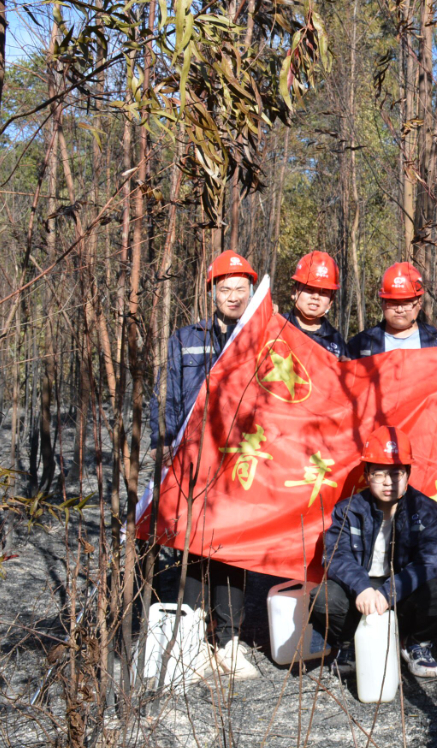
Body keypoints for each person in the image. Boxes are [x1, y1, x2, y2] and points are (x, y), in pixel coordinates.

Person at [151, 250, 261, 679]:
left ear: (252, 292)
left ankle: (228, 640)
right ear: (212, 293)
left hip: (241, 461)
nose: (233, 296)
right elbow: (166, 395)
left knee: (232, 550)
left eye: (241, 289)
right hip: (192, 459)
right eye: (225, 289)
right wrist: (164, 444)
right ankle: (193, 638)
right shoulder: (185, 339)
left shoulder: (262, 337)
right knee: (192, 546)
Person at [311, 425, 437, 679]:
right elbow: (336, 555)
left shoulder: (426, 510)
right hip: (362, 590)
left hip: (403, 589)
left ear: (408, 474)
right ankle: (349, 645)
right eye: (379, 474)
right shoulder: (349, 509)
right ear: (367, 475)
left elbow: (431, 561)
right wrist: (361, 587)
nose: (387, 482)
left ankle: (415, 642)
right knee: (324, 598)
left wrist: (389, 591)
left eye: (396, 474)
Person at [348, 262, 437, 357]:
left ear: (419, 303)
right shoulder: (361, 345)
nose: (399, 309)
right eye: (392, 302)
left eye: (406, 303)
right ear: (382, 303)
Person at [286, 251, 349, 359]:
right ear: (294, 292)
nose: (315, 297)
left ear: (331, 301)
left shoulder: (335, 340)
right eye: (309, 289)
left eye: (323, 292)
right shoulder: (277, 327)